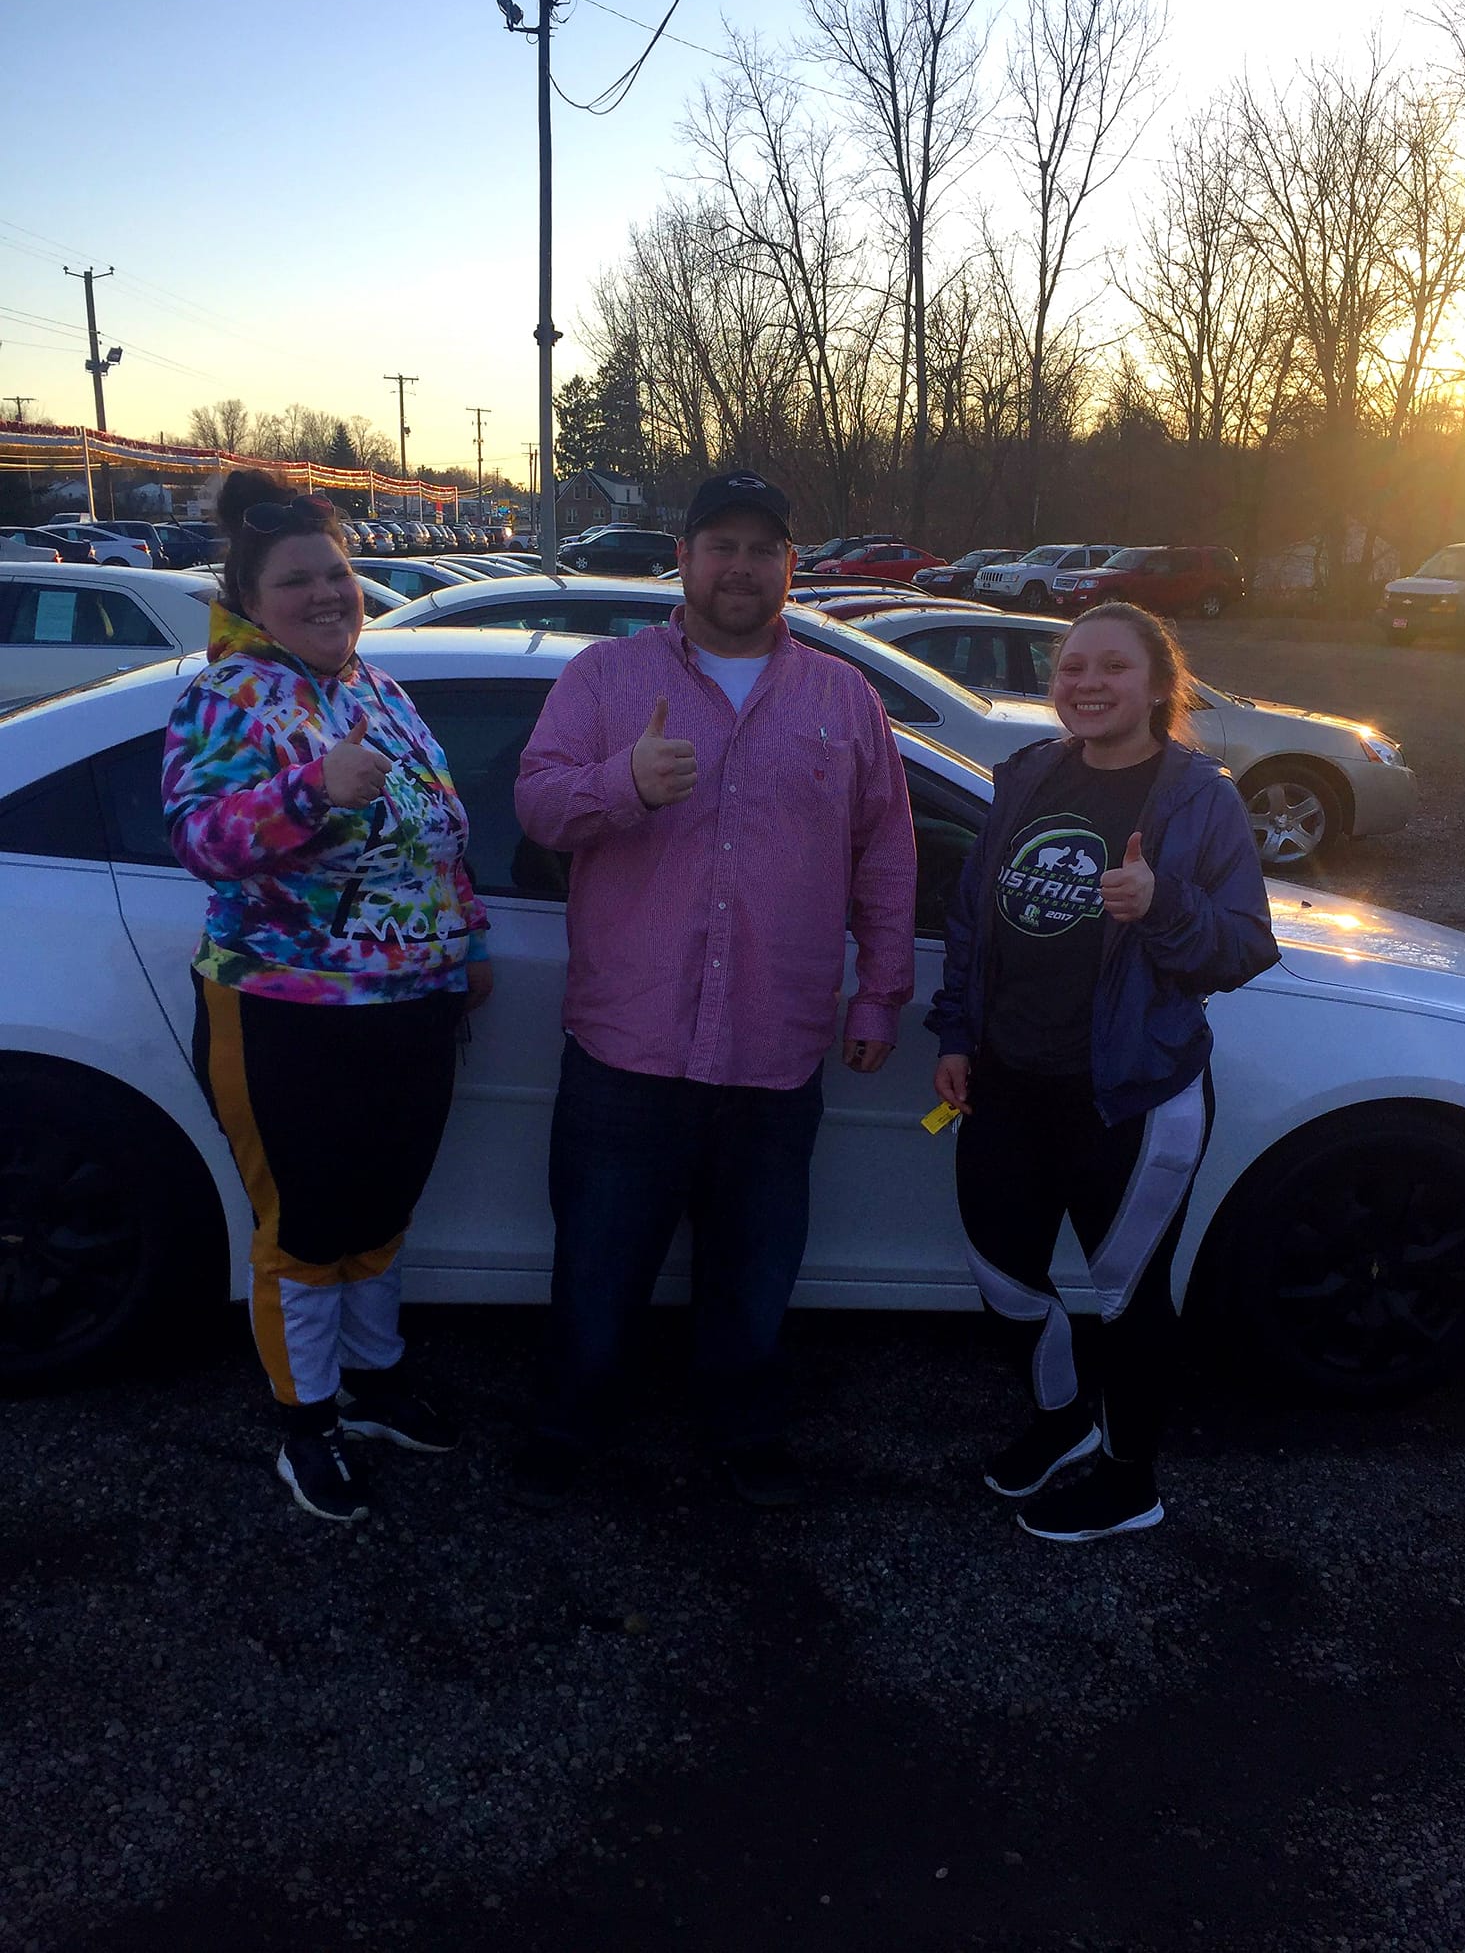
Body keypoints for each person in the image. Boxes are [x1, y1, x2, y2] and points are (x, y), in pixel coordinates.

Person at [513, 471, 917, 1507]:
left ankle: (744, 1427)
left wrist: (880, 992)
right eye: (720, 545)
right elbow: (539, 803)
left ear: (791, 565)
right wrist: (623, 783)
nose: (741, 565)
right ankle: (568, 1424)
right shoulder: (604, 678)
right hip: (627, 1049)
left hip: (774, 1047)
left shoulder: (845, 699)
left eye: (761, 547)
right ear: (683, 559)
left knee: (756, 1267)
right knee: (598, 1264)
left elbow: (886, 854)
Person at [162, 470, 492, 1525]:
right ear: (251, 600)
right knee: (305, 1224)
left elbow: (437, 830)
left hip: (413, 1002)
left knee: (383, 1207)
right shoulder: (228, 695)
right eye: (295, 579)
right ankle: (306, 1423)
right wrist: (308, 790)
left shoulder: (380, 689)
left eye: (336, 573)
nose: (325, 594)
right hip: (285, 1008)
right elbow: (199, 839)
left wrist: (471, 937)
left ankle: (373, 1381)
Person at [928, 600, 1278, 1542]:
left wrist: (1162, 903)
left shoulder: (1198, 798)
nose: (1087, 683)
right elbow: (972, 919)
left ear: (1160, 684)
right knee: (1001, 1273)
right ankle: (1063, 1420)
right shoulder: (1030, 775)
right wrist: (956, 1034)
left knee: (1127, 1295)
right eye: (1073, 666)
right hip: (1008, 1081)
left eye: (1113, 667)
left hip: (1131, 1093)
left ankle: (1131, 1481)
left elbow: (1244, 946)